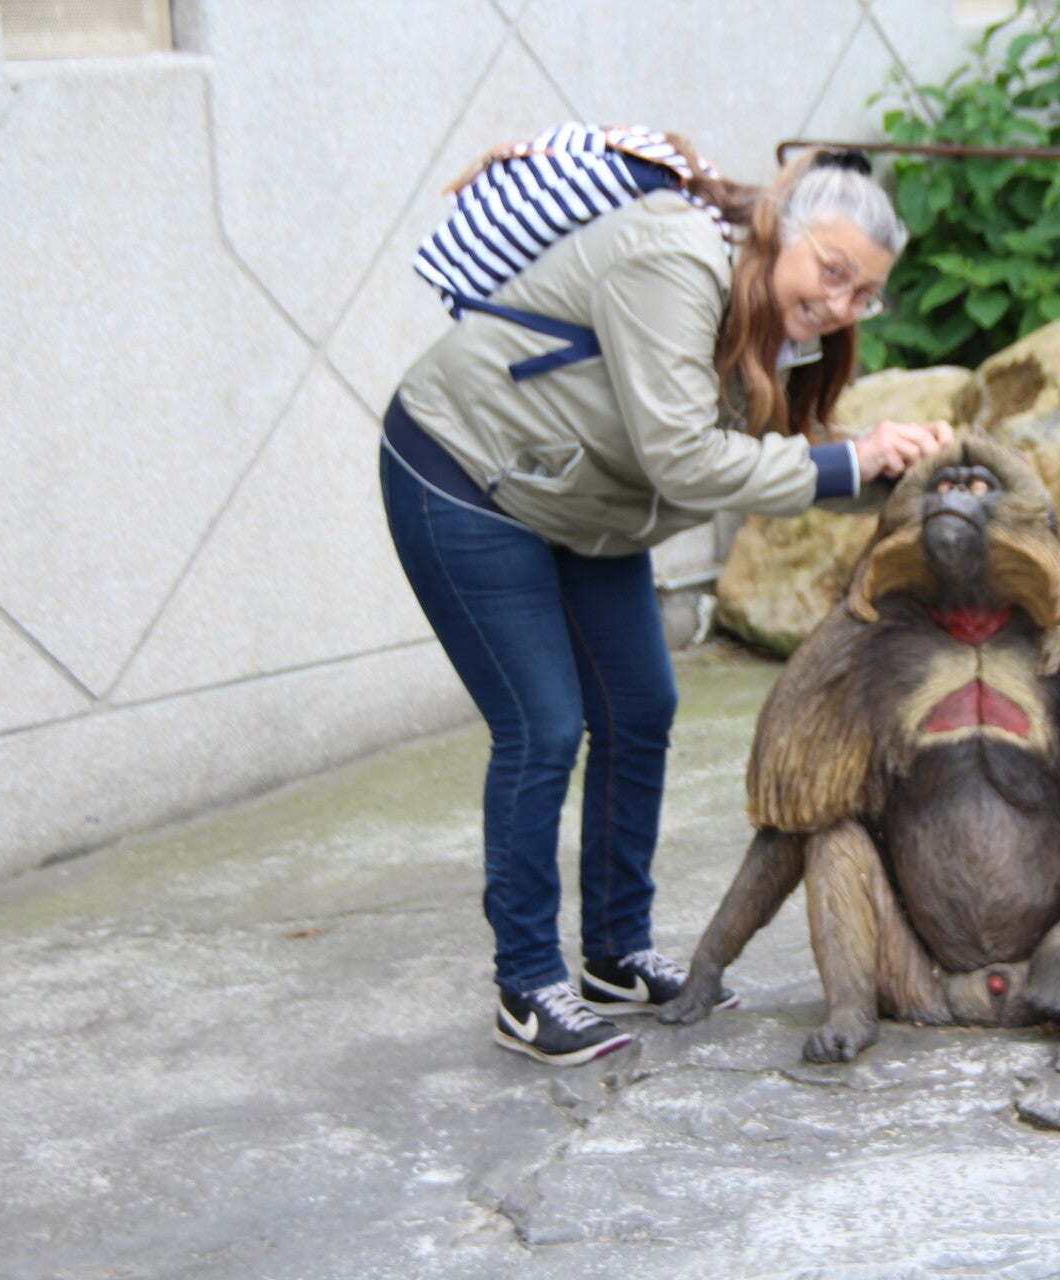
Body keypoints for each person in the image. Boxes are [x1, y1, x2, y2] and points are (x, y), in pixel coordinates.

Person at [380, 139, 953, 1066]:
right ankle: (528, 985)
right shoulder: (678, 262)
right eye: (833, 272)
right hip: (464, 471)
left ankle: (615, 952)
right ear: (781, 230)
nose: (843, 304)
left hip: (579, 500)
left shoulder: (773, 320)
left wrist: (905, 474)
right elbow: (684, 458)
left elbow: (782, 456)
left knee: (640, 708)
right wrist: (852, 460)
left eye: (865, 293)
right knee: (542, 726)